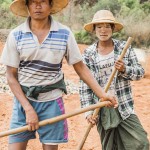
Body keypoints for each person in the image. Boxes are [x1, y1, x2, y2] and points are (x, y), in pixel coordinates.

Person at [0, 1, 118, 150]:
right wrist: (28, 108)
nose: (37, 6)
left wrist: (102, 94)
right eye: (33, 2)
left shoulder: (65, 33)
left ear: (50, 6)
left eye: (42, 1)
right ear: (27, 6)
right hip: (23, 102)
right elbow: (11, 76)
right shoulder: (16, 35)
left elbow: (80, 67)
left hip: (52, 102)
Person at [79, 10, 149, 150]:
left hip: (123, 106)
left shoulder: (124, 48)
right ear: (94, 30)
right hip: (102, 108)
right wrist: (88, 113)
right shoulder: (89, 53)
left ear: (112, 29)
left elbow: (140, 73)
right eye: (99, 26)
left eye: (107, 26)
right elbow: (84, 85)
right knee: (110, 147)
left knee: (141, 143)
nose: (103, 30)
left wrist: (124, 69)